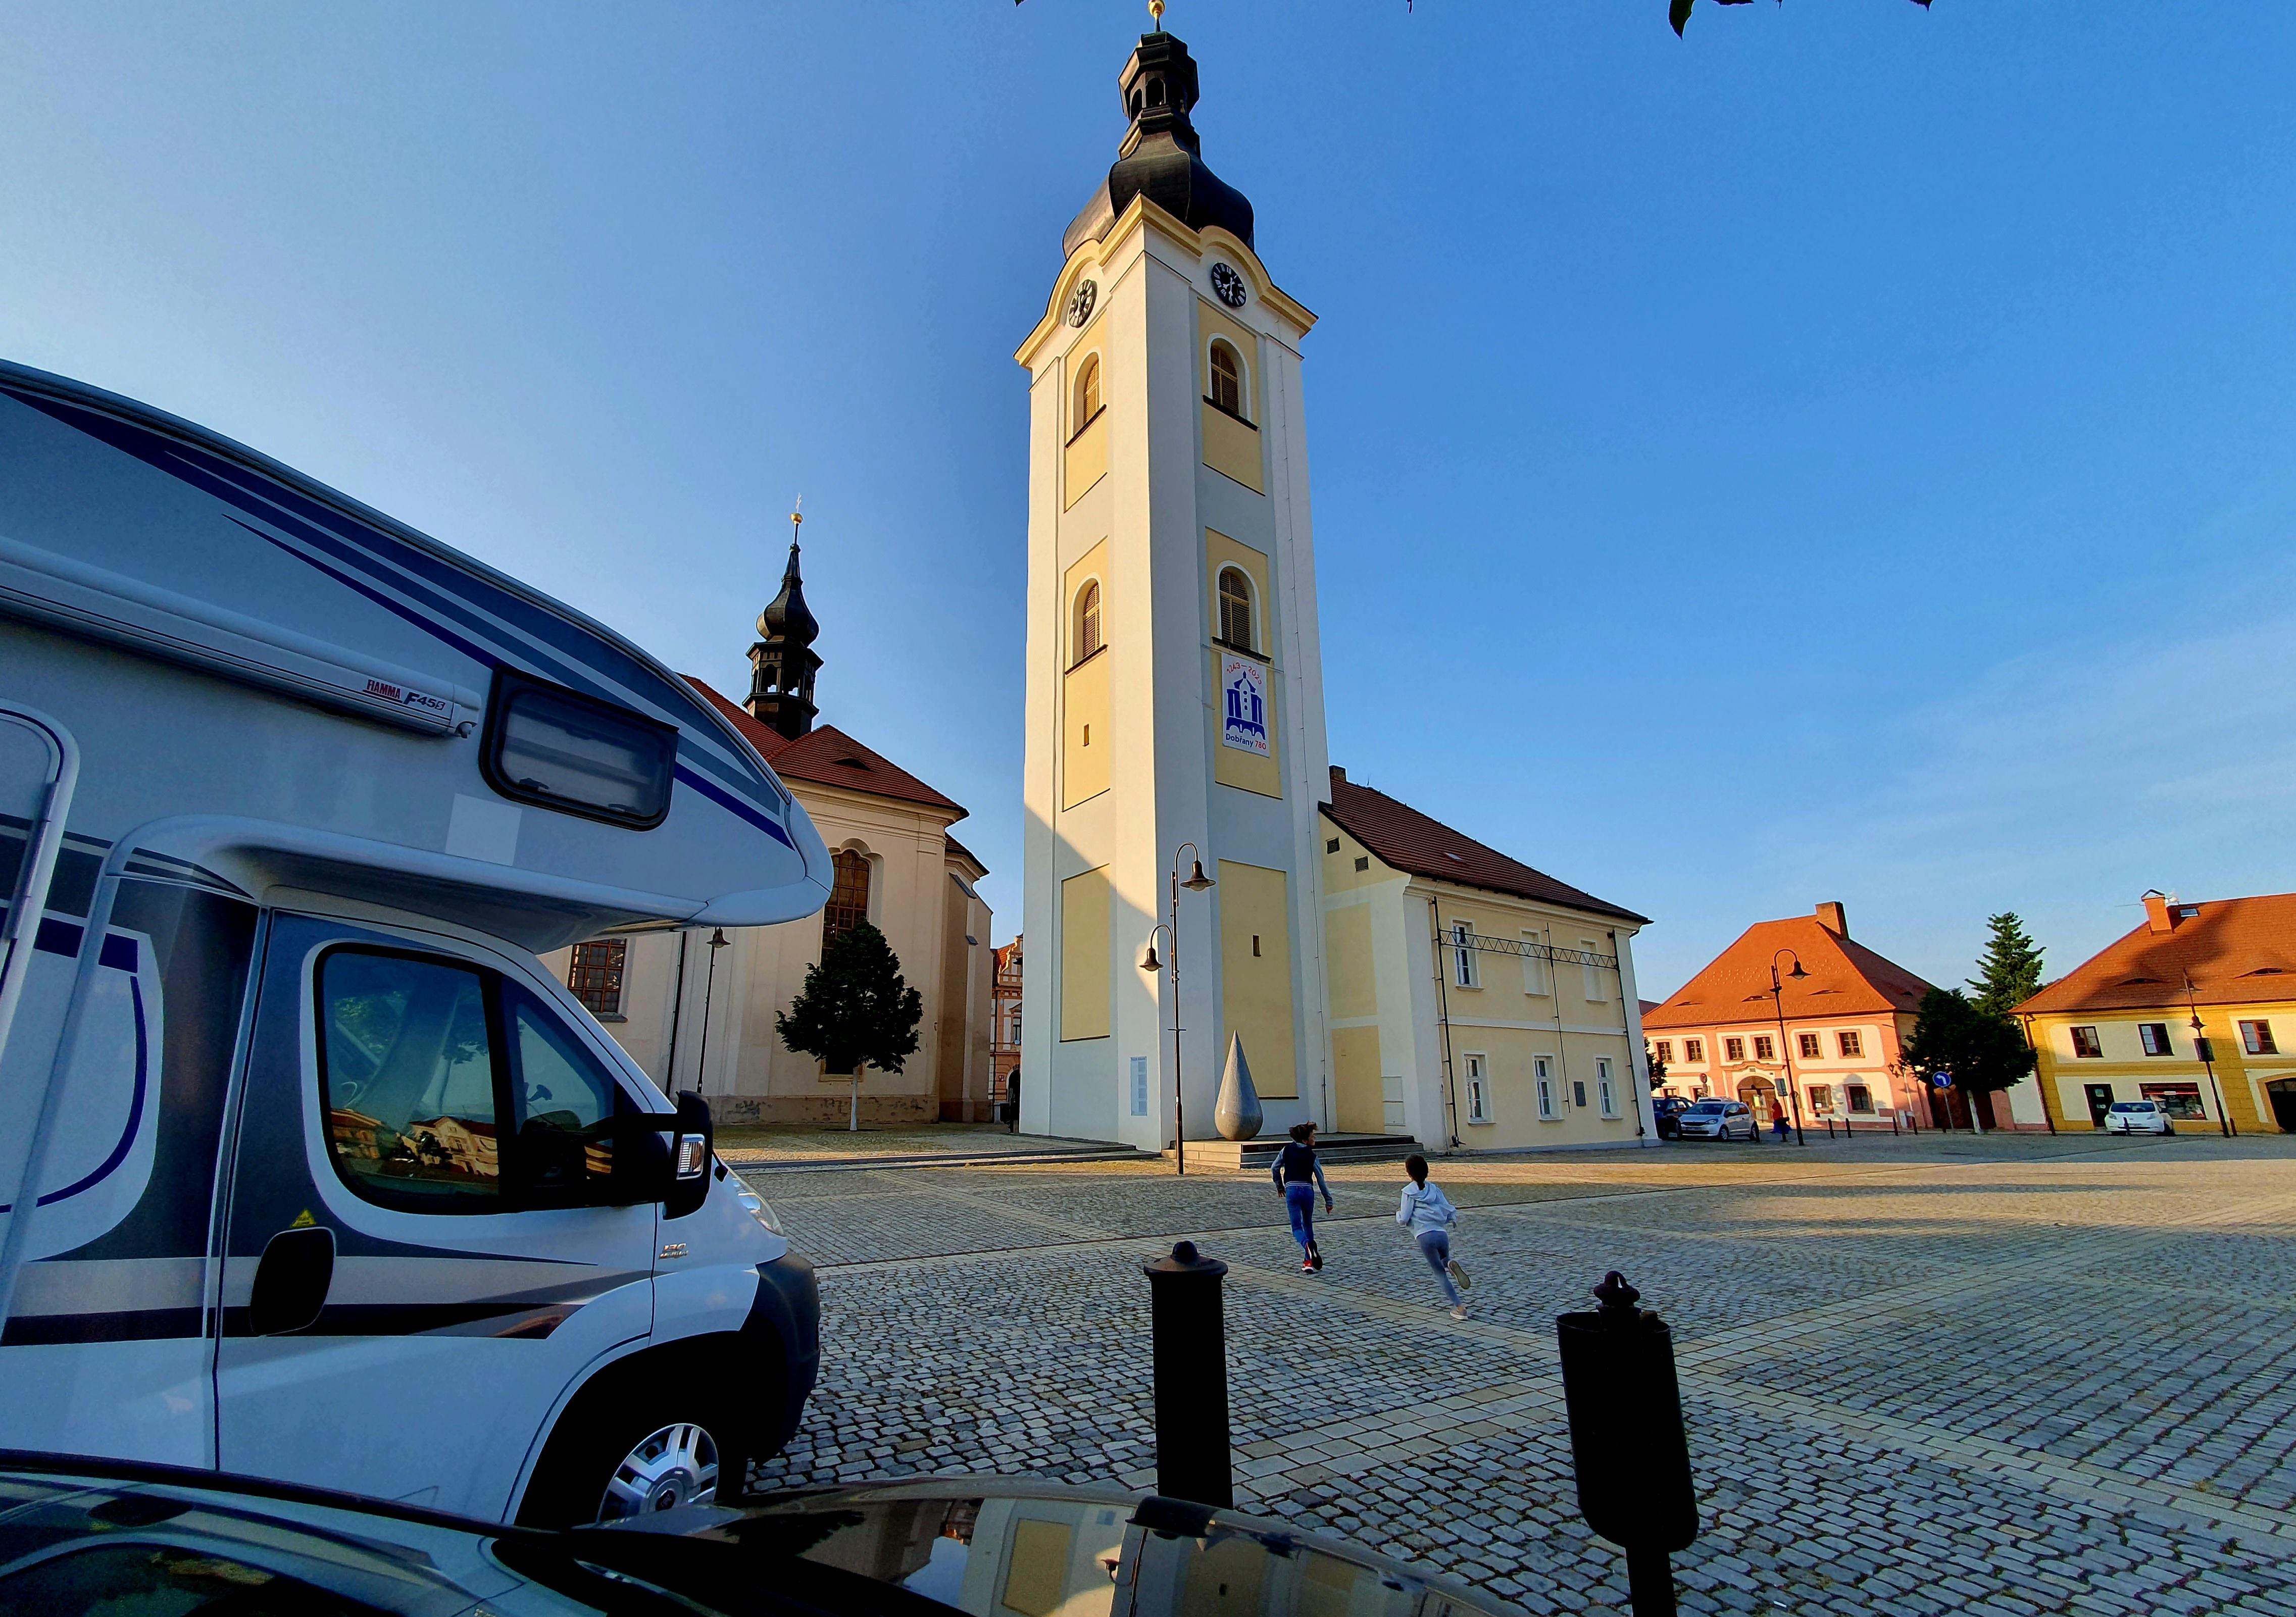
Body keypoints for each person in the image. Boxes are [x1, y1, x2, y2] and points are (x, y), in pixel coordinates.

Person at [1397, 1153, 1468, 1321]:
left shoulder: (1408, 1192)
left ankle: (1460, 1308)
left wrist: (1398, 1216)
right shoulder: (1434, 1189)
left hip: (1424, 1236)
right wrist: (1452, 1219)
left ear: (1409, 1173)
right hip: (1441, 1234)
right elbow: (1446, 1207)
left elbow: (1405, 1218)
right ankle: (1450, 1264)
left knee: (1439, 1274)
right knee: (1444, 1259)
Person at [1272, 1121, 1334, 1272]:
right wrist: (1328, 1200)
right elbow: (1321, 1180)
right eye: (1313, 1136)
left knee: (1296, 1228)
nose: (1315, 1139)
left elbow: (1275, 1168)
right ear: (1306, 1140)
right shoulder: (1312, 1156)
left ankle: (1307, 1245)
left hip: (1292, 1190)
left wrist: (1279, 1185)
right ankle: (1308, 1262)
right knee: (1308, 1224)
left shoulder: (1286, 1150)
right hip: (1307, 1191)